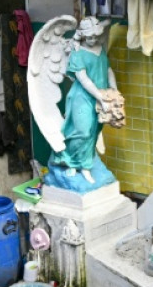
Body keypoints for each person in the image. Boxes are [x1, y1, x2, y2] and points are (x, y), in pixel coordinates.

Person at [46, 17, 118, 189]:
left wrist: (114, 89)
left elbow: (107, 70)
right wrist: (101, 97)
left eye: (95, 37)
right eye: (89, 37)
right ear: (83, 36)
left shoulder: (100, 49)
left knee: (94, 131)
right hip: (82, 99)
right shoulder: (78, 53)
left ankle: (85, 164)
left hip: (100, 98)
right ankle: (71, 163)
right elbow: (84, 80)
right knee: (81, 131)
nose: (93, 40)